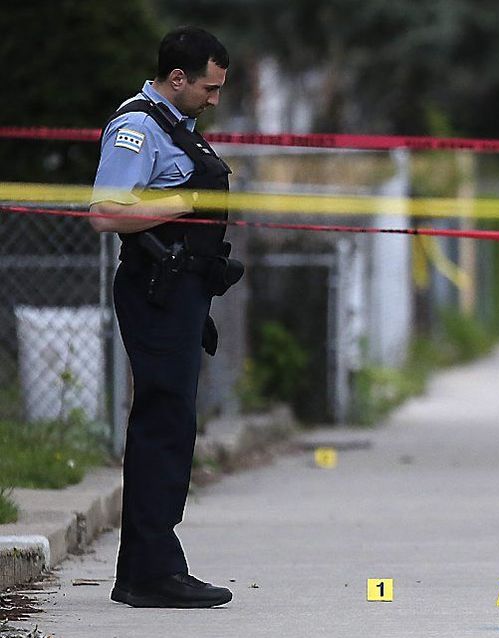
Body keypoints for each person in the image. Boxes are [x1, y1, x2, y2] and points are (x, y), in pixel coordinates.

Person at [90, 26, 242, 608]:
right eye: (209, 87)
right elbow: (106, 212)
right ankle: (153, 573)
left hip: (181, 294)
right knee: (163, 424)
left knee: (171, 424)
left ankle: (144, 569)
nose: (214, 99)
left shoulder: (179, 127)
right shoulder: (138, 128)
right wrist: (186, 202)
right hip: (156, 291)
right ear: (176, 78)